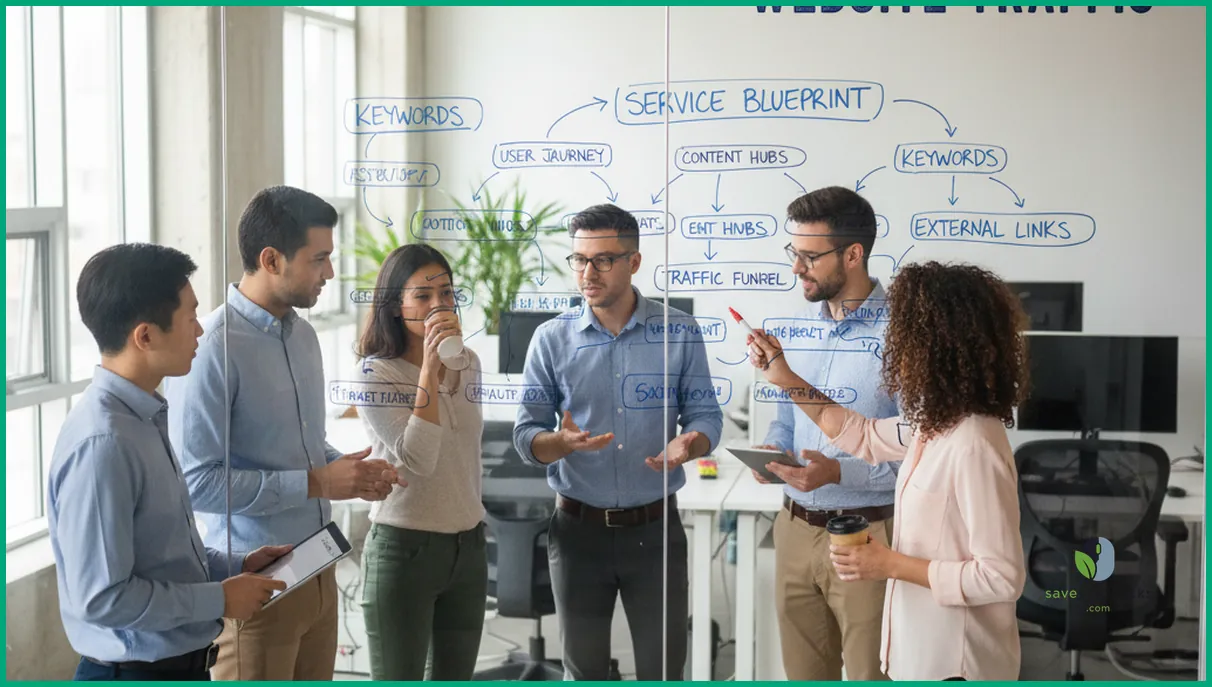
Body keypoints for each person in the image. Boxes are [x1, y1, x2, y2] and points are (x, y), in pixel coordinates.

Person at [748, 260, 1029, 681]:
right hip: (920, 653)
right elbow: (857, 432)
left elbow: (1001, 578)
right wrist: (784, 377)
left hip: (957, 663)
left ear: (938, 345)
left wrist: (888, 563)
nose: (894, 348)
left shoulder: (973, 442)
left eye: (904, 336)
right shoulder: (933, 421)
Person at [164, 186, 402, 681]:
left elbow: (301, 445)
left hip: (321, 570)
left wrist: (348, 472)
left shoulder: (302, 334)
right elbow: (196, 483)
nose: (330, 274)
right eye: (319, 259)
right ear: (271, 259)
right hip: (260, 582)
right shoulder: (212, 349)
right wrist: (317, 481)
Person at [48, 243, 290, 681]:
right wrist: (219, 598)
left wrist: (233, 565)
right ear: (145, 336)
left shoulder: (146, 417)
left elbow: (159, 554)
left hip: (180, 666)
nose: (200, 330)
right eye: (190, 317)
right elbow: (103, 598)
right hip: (134, 672)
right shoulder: (104, 443)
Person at [513, 204, 724, 680]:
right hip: (577, 531)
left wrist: (690, 444)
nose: (588, 273)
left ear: (634, 261)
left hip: (655, 530)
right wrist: (560, 442)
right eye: (579, 260)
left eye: (603, 260)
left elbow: (706, 415)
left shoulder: (679, 332)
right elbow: (526, 436)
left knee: (664, 669)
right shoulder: (551, 339)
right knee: (584, 671)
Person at [752, 186, 899, 681]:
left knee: (868, 676)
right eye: (795, 253)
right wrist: (773, 450)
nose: (797, 268)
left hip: (869, 535)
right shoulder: (795, 329)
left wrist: (840, 469)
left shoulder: (906, 336)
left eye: (810, 256)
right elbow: (784, 419)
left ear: (853, 255)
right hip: (795, 530)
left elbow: (923, 456)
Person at [351, 244, 487, 680]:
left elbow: (463, 452)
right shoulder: (375, 374)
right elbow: (420, 459)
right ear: (395, 307)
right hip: (405, 550)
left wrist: (445, 362)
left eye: (446, 294)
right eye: (423, 297)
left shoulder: (470, 364)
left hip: (468, 548)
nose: (438, 306)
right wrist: (429, 368)